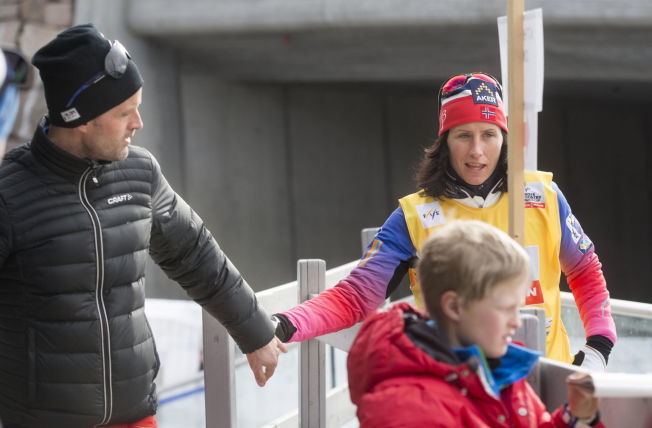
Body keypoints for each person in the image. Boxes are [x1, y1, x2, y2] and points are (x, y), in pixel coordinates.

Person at [0, 24, 286, 428]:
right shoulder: (9, 194)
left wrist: (255, 332)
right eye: (123, 112)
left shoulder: (140, 171)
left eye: (138, 105)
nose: (139, 122)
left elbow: (195, 254)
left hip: (136, 415)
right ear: (79, 119)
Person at [273, 72, 616, 368]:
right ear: (445, 142)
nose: (477, 151)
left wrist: (598, 346)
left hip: (544, 390)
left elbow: (585, 270)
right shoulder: (414, 217)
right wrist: (284, 324)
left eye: (489, 134)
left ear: (505, 138)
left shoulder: (544, 196)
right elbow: (355, 296)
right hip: (459, 396)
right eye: (463, 135)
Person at [347, 220, 604, 427]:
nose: (517, 322)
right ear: (455, 307)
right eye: (506, 309)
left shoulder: (496, 369)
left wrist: (576, 418)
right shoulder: (407, 409)